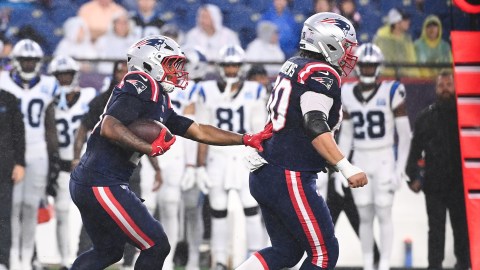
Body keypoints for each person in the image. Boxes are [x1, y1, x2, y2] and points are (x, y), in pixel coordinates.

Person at [69, 35, 272, 270]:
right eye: (171, 64)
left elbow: (198, 130)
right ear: (149, 63)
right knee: (156, 244)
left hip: (96, 179)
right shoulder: (141, 82)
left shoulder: (158, 96)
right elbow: (109, 126)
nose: (177, 70)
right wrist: (148, 147)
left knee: (109, 251)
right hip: (101, 181)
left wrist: (244, 138)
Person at [235, 12, 368, 270]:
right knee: (325, 253)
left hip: (269, 170)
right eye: (346, 45)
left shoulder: (295, 64)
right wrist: (345, 166)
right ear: (327, 43)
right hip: (289, 173)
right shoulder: (322, 73)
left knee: (286, 251)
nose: (349, 53)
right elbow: (314, 123)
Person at [71, 60, 161, 270]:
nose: (123, 74)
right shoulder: (104, 100)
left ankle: (129, 262)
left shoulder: (142, 101)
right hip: (101, 173)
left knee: (132, 223)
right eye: (119, 70)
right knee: (98, 231)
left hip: (129, 170)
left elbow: (145, 138)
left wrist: (156, 167)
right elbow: (84, 129)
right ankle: (82, 254)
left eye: (126, 70)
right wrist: (77, 158)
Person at [335, 43, 411, 270]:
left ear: (378, 67)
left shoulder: (391, 91)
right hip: (360, 158)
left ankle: (385, 264)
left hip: (384, 157)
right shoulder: (346, 92)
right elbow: (346, 136)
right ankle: (369, 264)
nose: (367, 70)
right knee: (365, 216)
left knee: (384, 213)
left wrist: (400, 167)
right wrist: (343, 167)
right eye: (364, 66)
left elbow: (405, 135)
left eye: (371, 66)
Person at [193, 44, 268, 270]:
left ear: (241, 66)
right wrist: (198, 165)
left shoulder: (254, 90)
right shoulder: (206, 90)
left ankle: (257, 259)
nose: (232, 69)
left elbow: (260, 130)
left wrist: (260, 156)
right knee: (218, 209)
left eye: (235, 65)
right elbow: (201, 131)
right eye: (228, 65)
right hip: (217, 154)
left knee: (251, 207)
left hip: (244, 152)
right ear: (220, 66)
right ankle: (219, 260)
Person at [1, 39, 59, 270]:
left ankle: (27, 258)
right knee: (12, 207)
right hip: (13, 152)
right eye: (24, 60)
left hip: (38, 151)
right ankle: (12, 257)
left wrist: (53, 156)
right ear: (15, 61)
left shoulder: (49, 84)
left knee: (30, 206)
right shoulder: (4, 82)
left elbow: (50, 125)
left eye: (31, 60)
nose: (27, 65)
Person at [406, 69, 470, 270]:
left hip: (461, 185)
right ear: (435, 89)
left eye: (448, 85)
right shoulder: (425, 118)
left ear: (455, 86)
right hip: (434, 186)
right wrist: (414, 177)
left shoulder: (467, 118)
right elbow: (414, 153)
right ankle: (434, 266)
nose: (445, 89)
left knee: (462, 229)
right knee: (436, 231)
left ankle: (464, 265)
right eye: (441, 85)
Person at [47, 55, 98, 270]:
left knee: (86, 214)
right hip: (62, 165)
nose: (64, 80)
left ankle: (84, 255)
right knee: (61, 213)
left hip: (84, 165)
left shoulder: (88, 97)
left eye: (67, 75)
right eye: (60, 76)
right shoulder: (47, 100)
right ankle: (65, 258)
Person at [0, 89, 25, 270]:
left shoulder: (8, 99)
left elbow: (19, 132)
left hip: (4, 167)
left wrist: (20, 163)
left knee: (3, 217)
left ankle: (3, 261)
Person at [373, 8, 418, 78]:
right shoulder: (382, 38)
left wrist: (414, 78)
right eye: (405, 20)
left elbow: (412, 61)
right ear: (396, 22)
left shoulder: (407, 39)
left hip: (405, 79)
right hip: (385, 79)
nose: (408, 22)